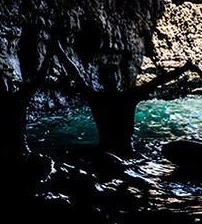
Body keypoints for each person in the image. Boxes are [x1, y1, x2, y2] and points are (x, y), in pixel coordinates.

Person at [54, 41, 193, 159]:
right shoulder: (127, 97)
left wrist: (59, 49)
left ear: (101, 81)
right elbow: (157, 81)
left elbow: (75, 74)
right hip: (126, 152)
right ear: (118, 79)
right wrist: (183, 69)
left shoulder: (96, 98)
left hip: (105, 152)